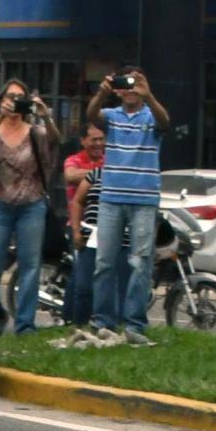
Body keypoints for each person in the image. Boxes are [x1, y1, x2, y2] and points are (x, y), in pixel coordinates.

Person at [85, 66, 166, 347]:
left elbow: (165, 123)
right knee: (104, 262)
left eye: (136, 83)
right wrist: (102, 93)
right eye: (126, 84)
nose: (130, 89)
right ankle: (102, 322)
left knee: (141, 263)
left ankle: (134, 324)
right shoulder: (112, 116)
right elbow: (91, 116)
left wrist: (149, 96)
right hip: (111, 198)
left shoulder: (151, 114)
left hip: (144, 199)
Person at [0, 78, 55, 350]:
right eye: (10, 97)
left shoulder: (36, 131)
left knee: (30, 267)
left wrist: (47, 117)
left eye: (21, 97)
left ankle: (25, 327)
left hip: (31, 204)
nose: (15, 102)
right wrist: (1, 116)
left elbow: (56, 141)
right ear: (1, 100)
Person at [53, 121, 106, 345]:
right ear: (83, 141)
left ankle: (79, 319)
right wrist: (99, 173)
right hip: (77, 225)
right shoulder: (73, 160)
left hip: (103, 226)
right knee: (80, 277)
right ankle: (72, 320)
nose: (98, 144)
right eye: (93, 139)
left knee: (88, 276)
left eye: (102, 139)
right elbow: (70, 175)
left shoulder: (108, 159)